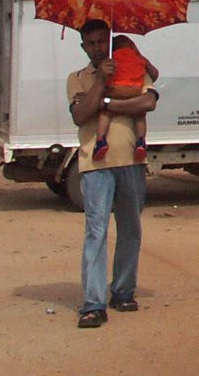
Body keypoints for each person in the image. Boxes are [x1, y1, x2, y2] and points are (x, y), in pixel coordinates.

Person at [67, 18, 158, 329]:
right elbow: (81, 116)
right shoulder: (77, 78)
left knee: (130, 229)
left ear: (110, 41)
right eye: (90, 43)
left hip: (131, 160)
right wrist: (101, 86)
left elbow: (149, 101)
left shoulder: (131, 65)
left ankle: (123, 291)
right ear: (83, 47)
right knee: (96, 232)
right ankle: (93, 303)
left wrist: (105, 103)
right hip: (95, 164)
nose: (95, 48)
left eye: (100, 42)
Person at [94, 34, 159, 164]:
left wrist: (106, 99)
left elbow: (104, 78)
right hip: (134, 91)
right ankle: (140, 141)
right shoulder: (139, 58)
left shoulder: (111, 59)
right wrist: (139, 55)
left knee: (105, 114)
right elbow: (155, 74)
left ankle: (101, 141)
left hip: (116, 90)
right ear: (131, 45)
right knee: (140, 115)